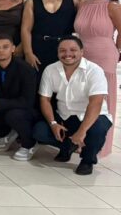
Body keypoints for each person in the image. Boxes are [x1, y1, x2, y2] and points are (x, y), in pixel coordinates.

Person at [33, 36, 113, 175]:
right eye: (62, 50)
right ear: (57, 53)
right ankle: (67, 146)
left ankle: (87, 160)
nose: (67, 54)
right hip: (65, 115)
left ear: (82, 52)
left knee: (97, 131)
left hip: (93, 116)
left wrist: (82, 131)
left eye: (73, 50)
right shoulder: (50, 70)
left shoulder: (94, 70)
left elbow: (96, 103)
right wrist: (53, 123)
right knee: (39, 131)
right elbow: (44, 99)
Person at [74, 0, 121, 157]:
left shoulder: (112, 6)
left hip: (104, 54)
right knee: (84, 97)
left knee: (103, 99)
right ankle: (81, 139)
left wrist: (117, 50)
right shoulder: (82, 4)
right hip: (82, 54)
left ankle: (101, 144)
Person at [21, 0, 79, 73]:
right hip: (38, 50)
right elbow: (26, 29)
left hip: (65, 50)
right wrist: (28, 53)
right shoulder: (32, 2)